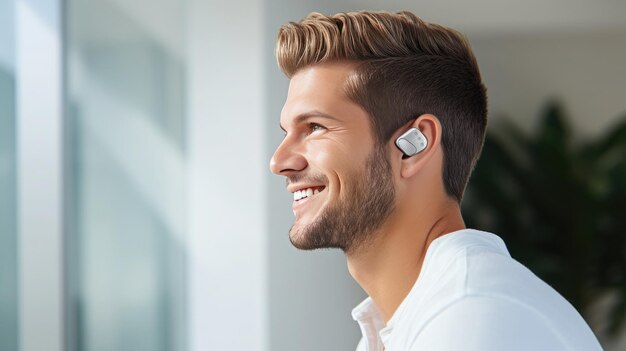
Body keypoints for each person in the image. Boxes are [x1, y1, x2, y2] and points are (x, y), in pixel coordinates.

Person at [269, 10, 602, 351]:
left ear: (414, 146)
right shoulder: (414, 319)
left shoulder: (470, 318)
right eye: (287, 132)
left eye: (315, 127)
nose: (279, 162)